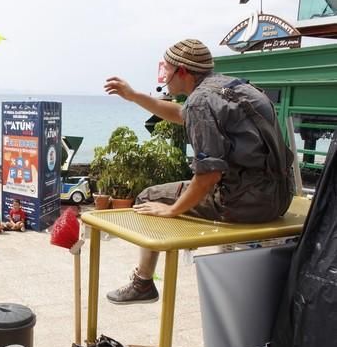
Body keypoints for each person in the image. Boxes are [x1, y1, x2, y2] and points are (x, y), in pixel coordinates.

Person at [103, 38, 294, 304]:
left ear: (182, 71)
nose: (164, 78)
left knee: (149, 196)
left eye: (166, 71)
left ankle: (143, 283)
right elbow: (182, 114)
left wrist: (172, 210)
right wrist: (135, 96)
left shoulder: (201, 102)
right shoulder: (231, 87)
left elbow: (208, 176)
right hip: (279, 197)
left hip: (245, 203)